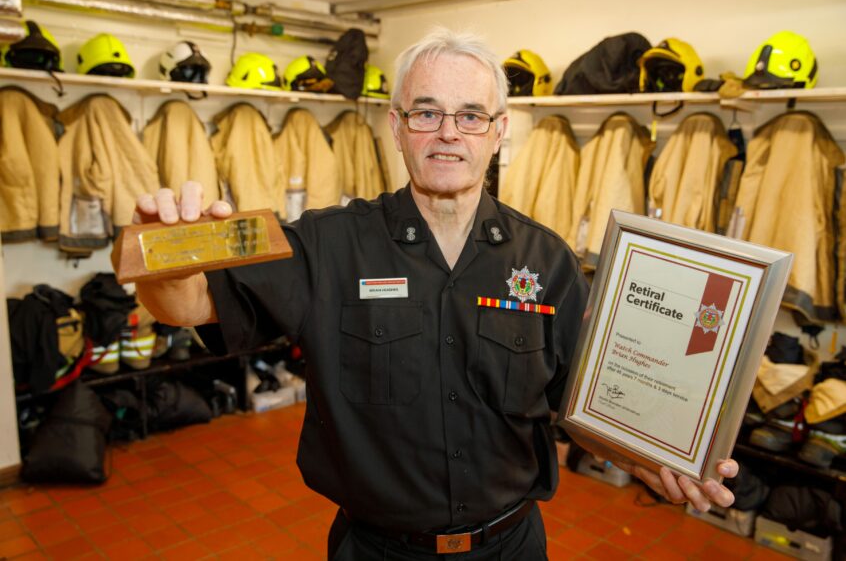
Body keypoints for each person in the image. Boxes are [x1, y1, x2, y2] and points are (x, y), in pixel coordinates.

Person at [134, 28, 739, 560]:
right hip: (375, 551)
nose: (449, 134)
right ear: (396, 127)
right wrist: (168, 269)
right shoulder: (326, 246)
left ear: (498, 132)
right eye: (426, 113)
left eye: (471, 115)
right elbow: (193, 306)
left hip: (512, 548)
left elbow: (577, 401)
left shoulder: (547, 260)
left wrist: (646, 453)